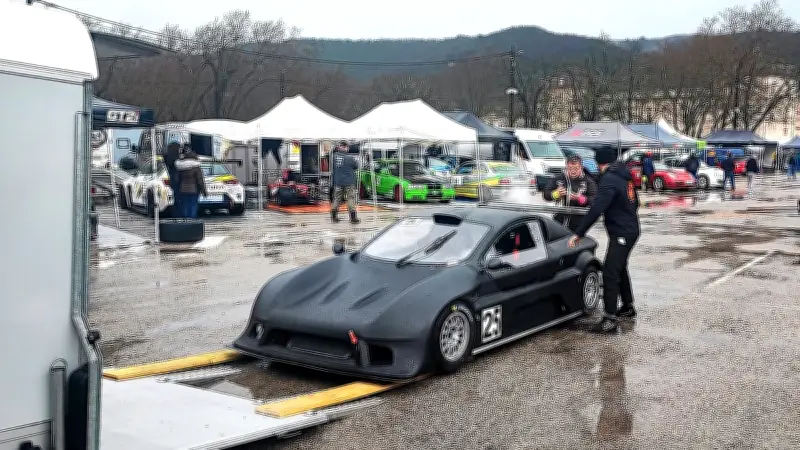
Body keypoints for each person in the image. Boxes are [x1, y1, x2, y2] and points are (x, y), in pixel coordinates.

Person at [568, 145, 640, 333]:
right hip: (629, 229)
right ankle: (627, 306)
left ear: (600, 163)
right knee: (620, 267)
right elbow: (636, 202)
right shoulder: (624, 175)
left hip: (623, 232)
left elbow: (597, 208)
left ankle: (609, 318)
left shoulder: (610, 179)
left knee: (609, 271)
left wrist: (579, 233)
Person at [542, 154, 598, 232]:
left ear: (581, 167)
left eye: (576, 168)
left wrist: (581, 199)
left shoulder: (589, 181)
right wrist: (556, 194)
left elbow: (595, 200)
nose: (573, 171)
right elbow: (545, 195)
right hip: (559, 219)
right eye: (570, 168)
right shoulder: (558, 179)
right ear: (566, 167)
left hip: (579, 221)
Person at [330, 140, 360, 224]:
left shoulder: (334, 157)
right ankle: (353, 218)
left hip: (338, 182)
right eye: (347, 147)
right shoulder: (350, 158)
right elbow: (356, 166)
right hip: (349, 182)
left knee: (336, 199)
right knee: (350, 198)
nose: (348, 149)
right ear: (344, 147)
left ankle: (334, 217)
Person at [175, 149, 207, 218]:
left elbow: (177, 179)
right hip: (194, 190)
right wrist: (203, 190)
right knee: (193, 206)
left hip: (183, 190)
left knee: (185, 207)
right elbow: (200, 181)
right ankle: (192, 222)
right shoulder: (196, 167)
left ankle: (186, 222)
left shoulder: (180, 167)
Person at [164, 141, 183, 212]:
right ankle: (178, 211)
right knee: (179, 196)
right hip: (178, 179)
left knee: (175, 196)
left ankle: (175, 211)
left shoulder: (167, 157)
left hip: (172, 178)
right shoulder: (178, 157)